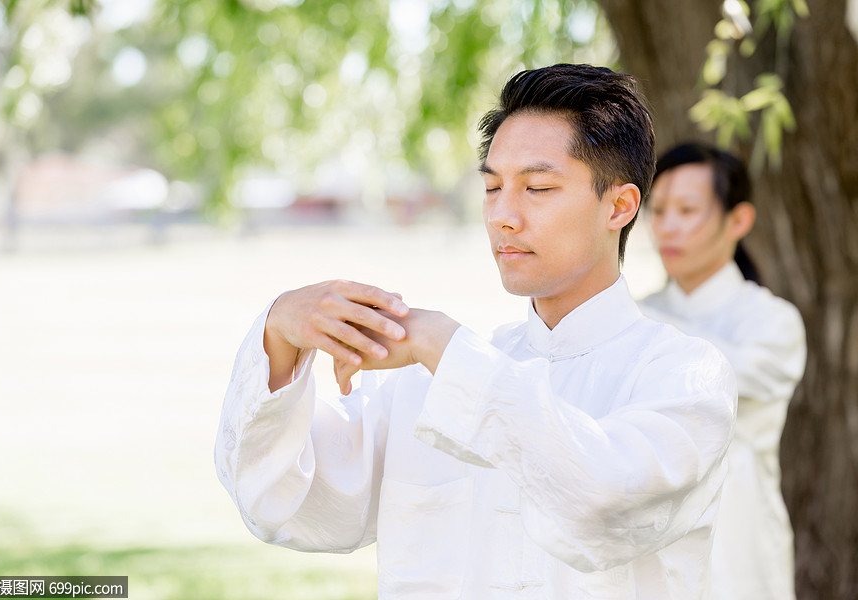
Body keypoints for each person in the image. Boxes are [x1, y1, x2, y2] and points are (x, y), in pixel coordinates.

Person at [215, 64, 737, 598]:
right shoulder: (428, 379)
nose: (502, 216)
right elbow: (285, 502)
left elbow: (602, 505)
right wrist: (280, 335)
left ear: (620, 206)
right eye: (492, 187)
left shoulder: (684, 376)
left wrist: (440, 344)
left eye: (537, 187)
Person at [638, 142, 807, 600]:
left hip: (741, 544)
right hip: (650, 545)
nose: (667, 226)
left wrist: (624, 323)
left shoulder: (773, 322)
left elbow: (706, 378)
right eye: (658, 210)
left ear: (738, 220)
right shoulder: (638, 315)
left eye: (687, 209)